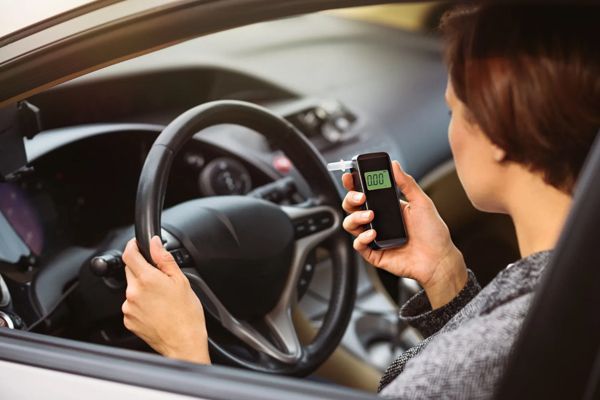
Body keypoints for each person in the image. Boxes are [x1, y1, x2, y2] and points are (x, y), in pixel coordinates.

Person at [120, 3, 600, 399]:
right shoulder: (563, 296)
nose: (452, 126)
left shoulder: (460, 370)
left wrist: (186, 357)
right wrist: (446, 276)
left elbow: (470, 369)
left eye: (454, 108)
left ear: (498, 131)